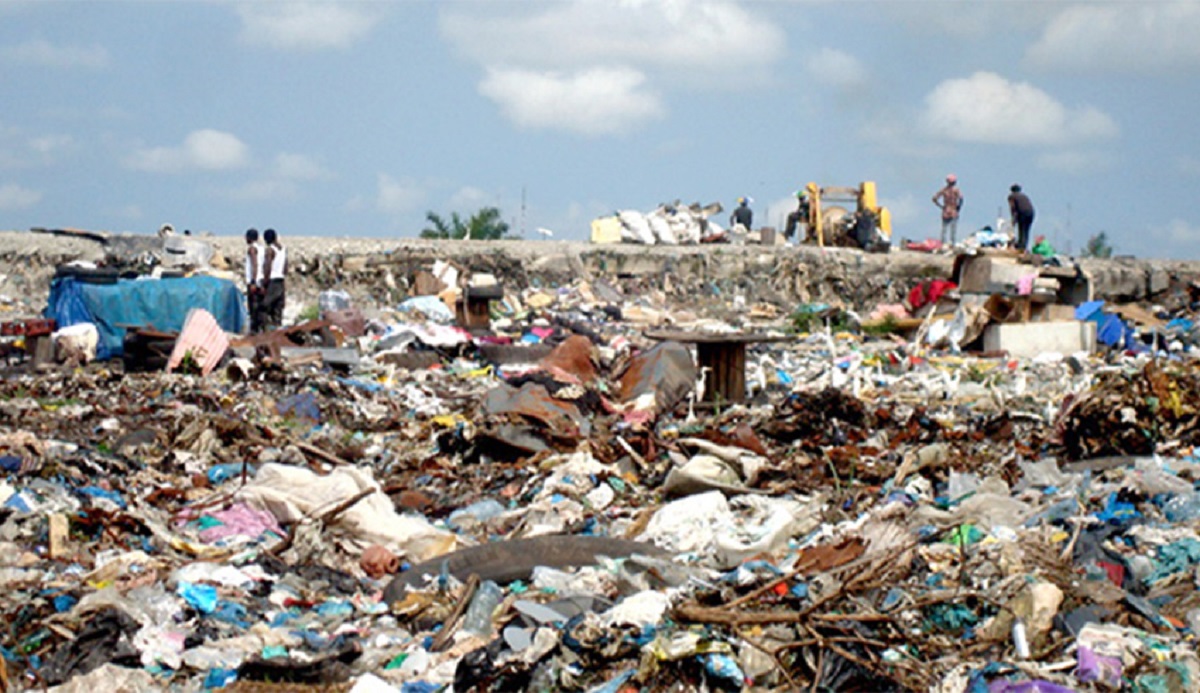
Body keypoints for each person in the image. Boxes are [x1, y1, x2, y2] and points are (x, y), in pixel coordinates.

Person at [261, 228, 287, 330]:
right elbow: (286, 266)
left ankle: (264, 329)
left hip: (272, 280)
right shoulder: (283, 249)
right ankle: (277, 327)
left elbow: (268, 266)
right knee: (278, 307)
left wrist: (265, 281)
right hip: (281, 280)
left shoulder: (270, 250)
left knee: (264, 306)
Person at [931, 174, 963, 247]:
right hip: (953, 210)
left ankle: (942, 244)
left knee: (944, 229)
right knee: (953, 229)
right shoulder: (956, 190)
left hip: (946, 210)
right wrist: (958, 207)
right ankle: (952, 244)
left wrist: (941, 206)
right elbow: (961, 199)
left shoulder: (944, 190)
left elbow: (934, 198)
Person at [243, 228, 265, 333]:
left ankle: (254, 330)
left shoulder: (252, 249)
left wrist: (253, 281)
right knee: (260, 306)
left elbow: (254, 265)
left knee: (253, 307)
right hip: (261, 280)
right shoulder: (262, 249)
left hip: (254, 280)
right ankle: (260, 328)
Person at [1008, 184, 1036, 252]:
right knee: (1026, 230)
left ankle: (1021, 247)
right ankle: (1023, 246)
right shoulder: (1024, 196)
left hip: (1022, 212)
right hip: (1031, 213)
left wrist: (1013, 220)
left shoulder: (1012, 196)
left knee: (1021, 229)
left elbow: (1013, 208)